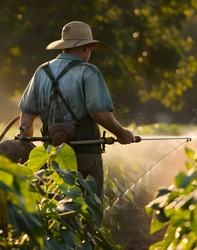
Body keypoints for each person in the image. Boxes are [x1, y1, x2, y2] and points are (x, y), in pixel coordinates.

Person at [18, 21, 135, 215]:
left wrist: (28, 149)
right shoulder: (89, 71)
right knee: (88, 210)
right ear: (85, 48)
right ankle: (87, 243)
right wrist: (121, 133)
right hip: (85, 154)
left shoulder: (42, 71)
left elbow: (26, 120)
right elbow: (98, 112)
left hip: (51, 156)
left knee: (57, 210)